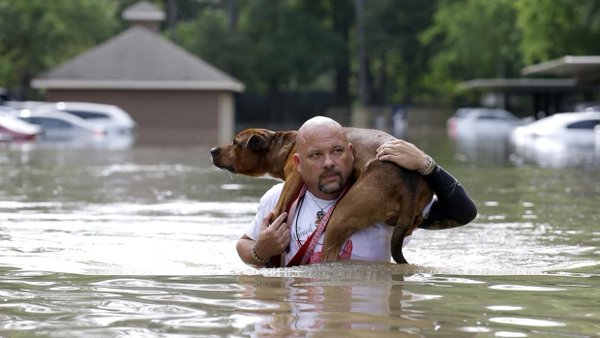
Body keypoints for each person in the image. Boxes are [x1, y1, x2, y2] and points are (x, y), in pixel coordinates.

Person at [236, 116, 477, 267]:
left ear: (352, 152)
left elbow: (464, 212)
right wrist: (260, 251)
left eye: (337, 151)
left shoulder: (380, 202)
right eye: (316, 155)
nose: (329, 162)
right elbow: (243, 246)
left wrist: (428, 165)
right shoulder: (277, 199)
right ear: (297, 163)